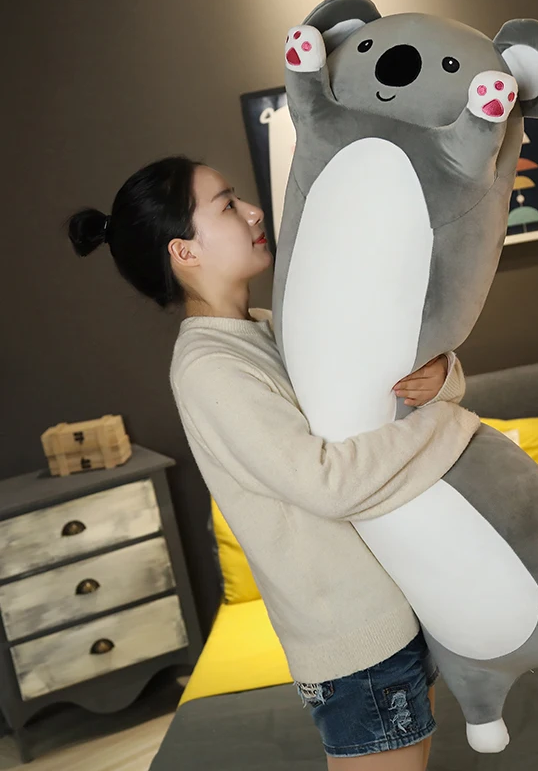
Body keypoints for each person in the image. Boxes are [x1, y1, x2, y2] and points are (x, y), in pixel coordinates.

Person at [67, 156, 480, 770]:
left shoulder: (267, 329)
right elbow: (328, 482)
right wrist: (452, 422)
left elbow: (386, 394)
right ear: (184, 251)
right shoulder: (209, 368)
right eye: (228, 205)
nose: (255, 212)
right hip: (357, 643)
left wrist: (443, 380)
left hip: (397, 614)